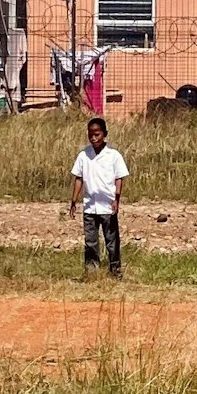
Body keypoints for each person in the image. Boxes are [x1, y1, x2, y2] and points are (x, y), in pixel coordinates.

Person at [69, 116, 128, 277]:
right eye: (91, 135)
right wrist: (74, 200)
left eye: (97, 134)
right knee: (90, 241)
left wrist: (116, 199)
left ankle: (115, 270)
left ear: (105, 134)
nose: (94, 138)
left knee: (112, 241)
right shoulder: (84, 155)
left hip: (108, 206)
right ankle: (92, 271)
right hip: (90, 206)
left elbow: (119, 178)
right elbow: (79, 178)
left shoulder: (113, 155)